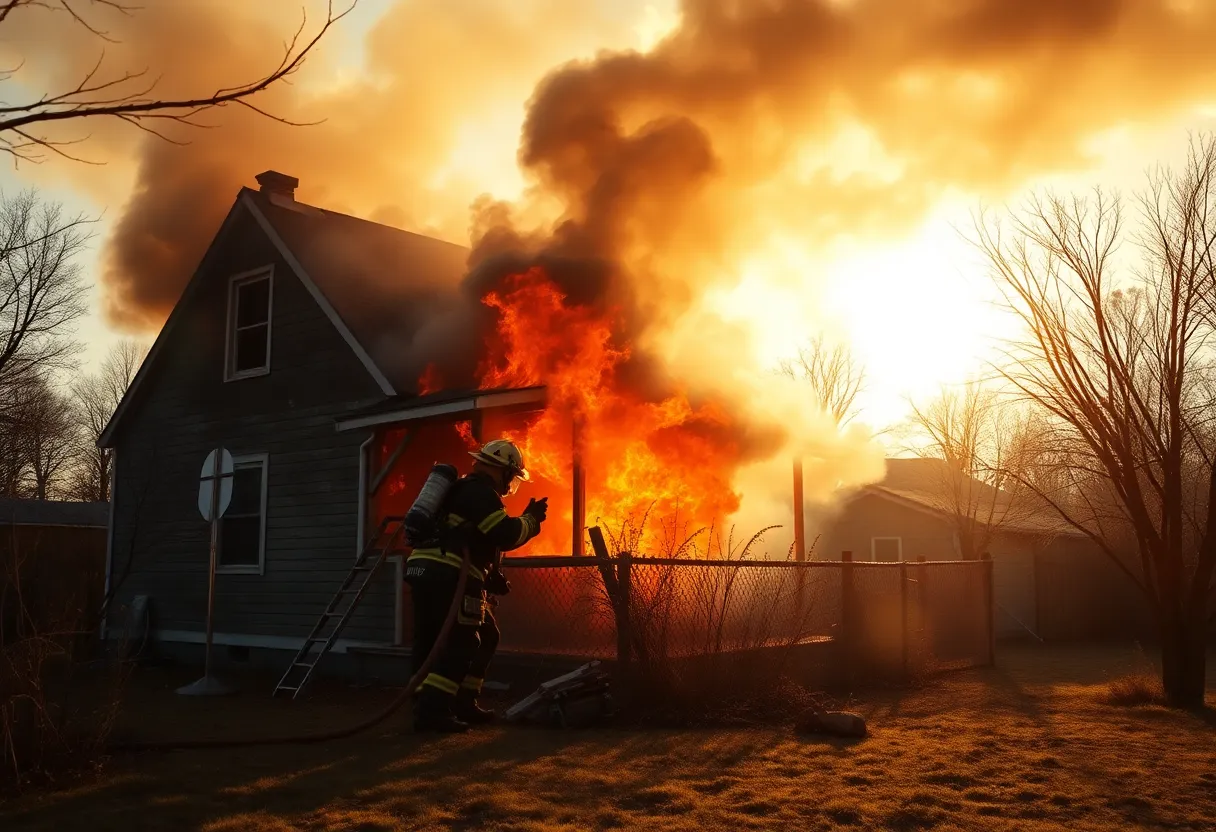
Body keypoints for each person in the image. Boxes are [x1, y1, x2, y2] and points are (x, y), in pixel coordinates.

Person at [404, 438, 548, 733]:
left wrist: (490, 575)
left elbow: (472, 539)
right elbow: (504, 533)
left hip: (425, 570)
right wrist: (531, 521)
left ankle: (460, 703)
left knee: (470, 635)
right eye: (512, 476)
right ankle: (433, 712)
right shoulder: (481, 492)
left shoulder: (462, 491)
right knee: (462, 642)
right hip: (449, 575)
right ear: (503, 471)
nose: (511, 484)